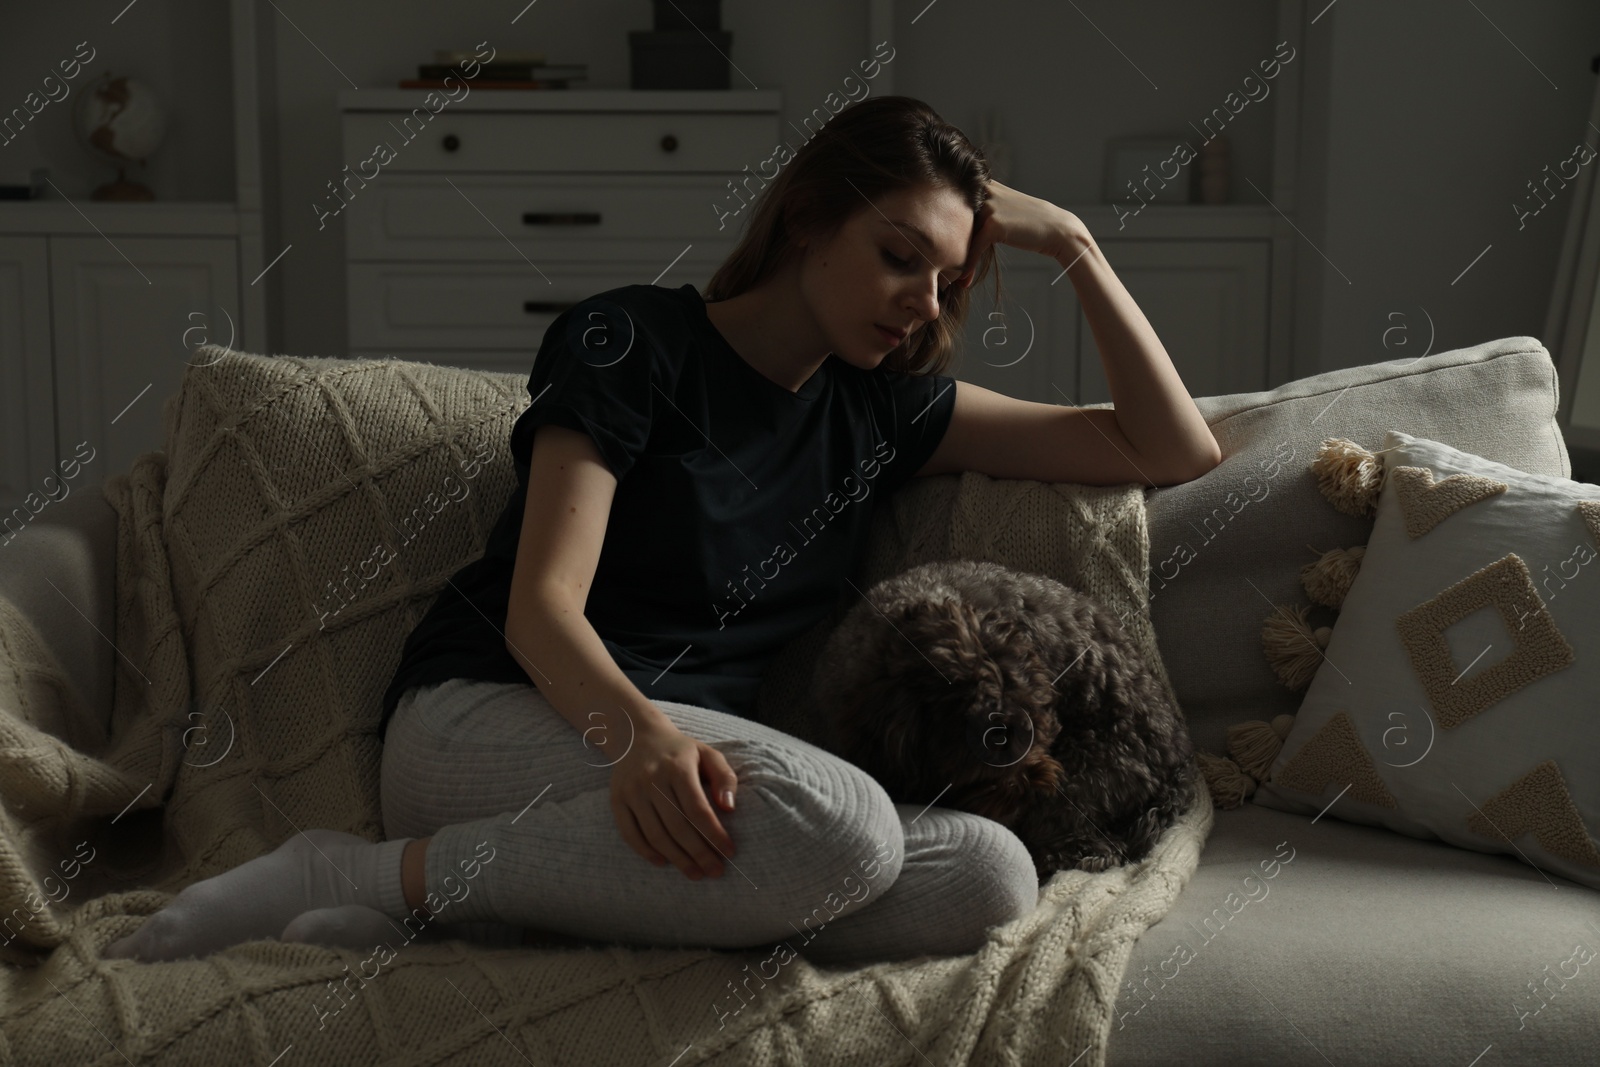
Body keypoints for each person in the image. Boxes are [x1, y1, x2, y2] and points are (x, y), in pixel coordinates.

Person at [105, 94, 1220, 966]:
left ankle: (490, 916)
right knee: (847, 830)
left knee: (988, 875)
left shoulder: (881, 410)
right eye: (896, 255)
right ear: (806, 217)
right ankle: (351, 875)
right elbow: (542, 605)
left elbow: (1167, 449)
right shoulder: (630, 341)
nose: (922, 303)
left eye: (947, 278)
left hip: (698, 778)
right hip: (497, 719)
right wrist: (637, 740)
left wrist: (1074, 244)